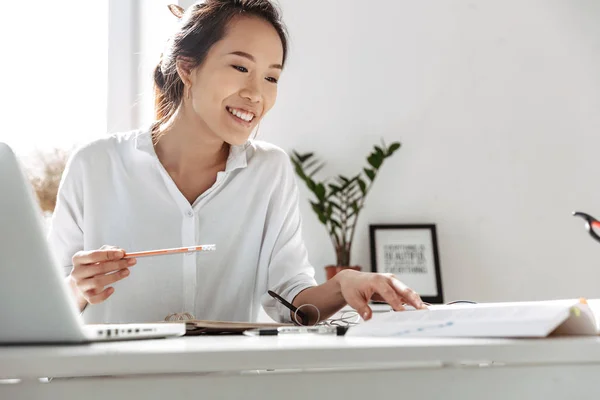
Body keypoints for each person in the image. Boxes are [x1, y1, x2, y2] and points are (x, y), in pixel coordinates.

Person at [48, 0, 426, 326]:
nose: (256, 94)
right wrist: (77, 286)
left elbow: (291, 301)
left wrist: (342, 284)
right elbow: (45, 307)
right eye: (241, 68)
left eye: (271, 77)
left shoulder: (269, 171)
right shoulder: (95, 165)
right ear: (187, 68)